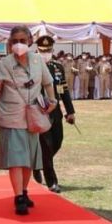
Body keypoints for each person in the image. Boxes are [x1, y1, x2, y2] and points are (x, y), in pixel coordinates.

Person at [0, 25, 56, 215]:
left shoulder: (38, 60)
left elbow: (48, 82)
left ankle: (24, 191)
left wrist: (53, 100)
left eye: (22, 41)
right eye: (14, 41)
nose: (19, 45)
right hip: (12, 116)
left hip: (33, 117)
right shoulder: (4, 64)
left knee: (29, 159)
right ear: (9, 43)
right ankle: (18, 197)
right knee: (16, 158)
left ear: (30, 41)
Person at [33, 35, 76, 193]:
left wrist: (70, 111)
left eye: (48, 51)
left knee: (57, 141)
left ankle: (37, 164)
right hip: (39, 111)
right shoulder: (31, 67)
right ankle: (52, 181)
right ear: (37, 50)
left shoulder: (57, 67)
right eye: (42, 51)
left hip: (55, 111)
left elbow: (63, 91)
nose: (45, 53)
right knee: (46, 145)